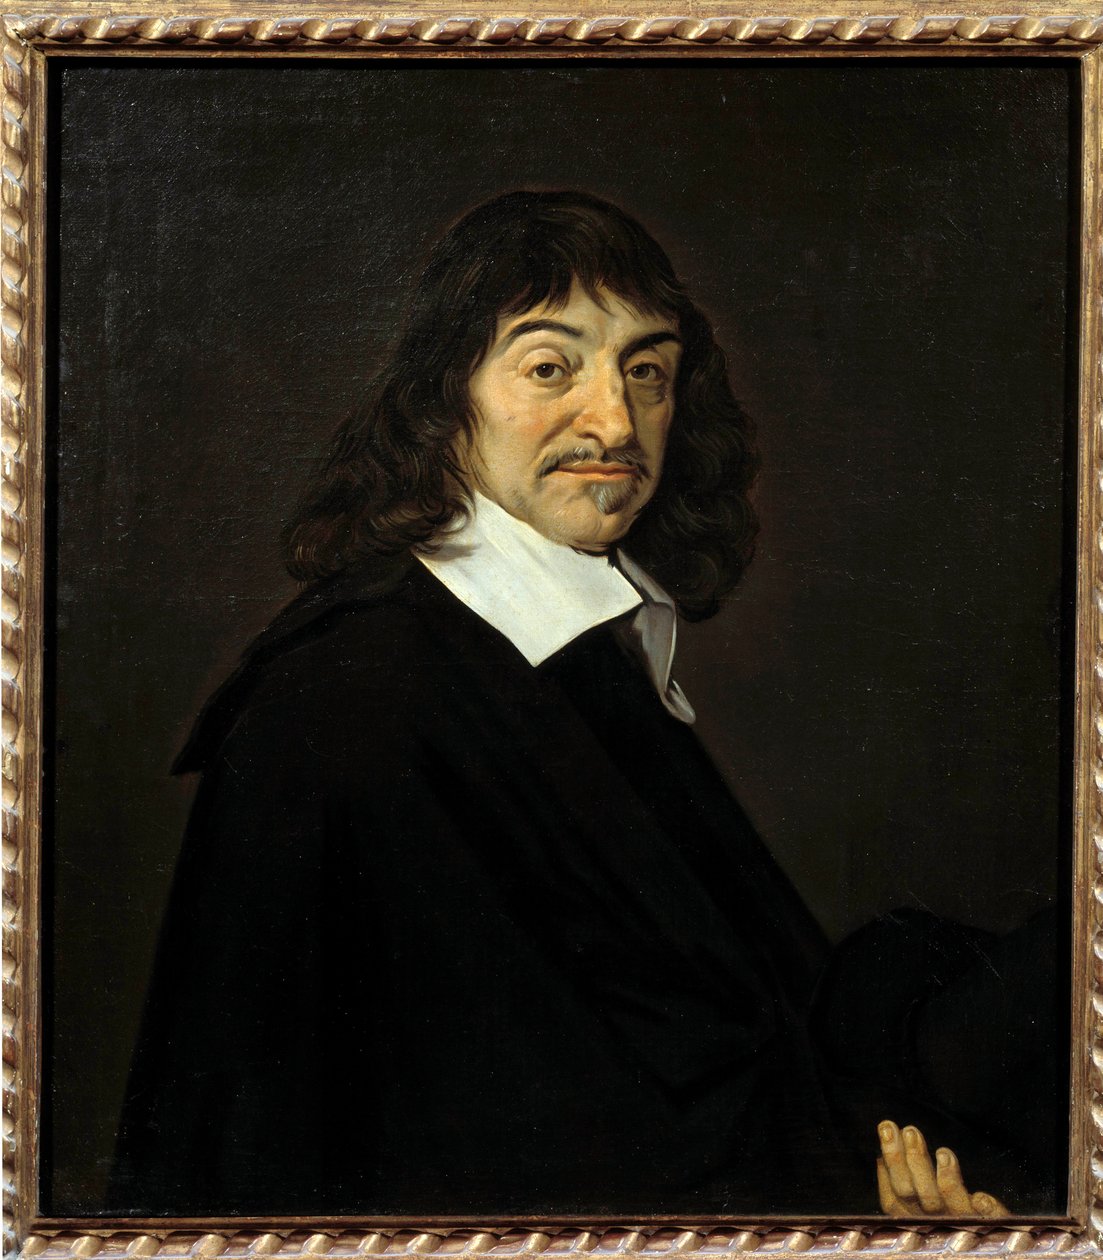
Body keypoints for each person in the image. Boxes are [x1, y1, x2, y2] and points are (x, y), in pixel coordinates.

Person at [108, 190, 1025, 1220]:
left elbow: (748, 1023)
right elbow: (489, 1144)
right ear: (442, 398)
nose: (615, 422)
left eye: (646, 371)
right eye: (550, 368)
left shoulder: (579, 652)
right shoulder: (347, 703)